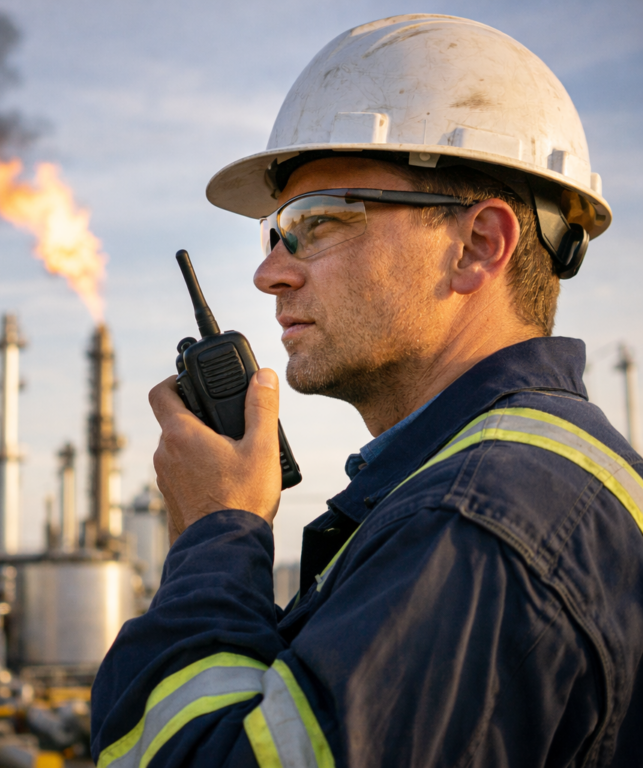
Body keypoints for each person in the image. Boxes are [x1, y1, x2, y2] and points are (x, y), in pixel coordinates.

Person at [91, 15, 643, 768]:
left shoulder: (479, 526)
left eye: (317, 222)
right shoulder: (510, 489)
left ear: (478, 246)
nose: (270, 273)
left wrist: (215, 533)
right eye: (273, 232)